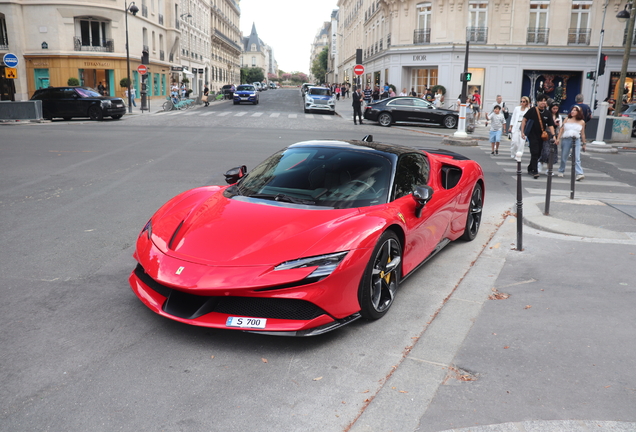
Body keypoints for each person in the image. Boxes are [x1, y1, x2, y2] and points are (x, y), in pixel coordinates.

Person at [521, 93, 557, 179]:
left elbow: (551, 125)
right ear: (537, 102)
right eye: (541, 101)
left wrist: (554, 135)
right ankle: (535, 171)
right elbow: (524, 120)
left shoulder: (547, 113)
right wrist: (522, 132)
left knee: (538, 153)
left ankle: (530, 167)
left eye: (544, 101)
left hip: (542, 136)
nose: (543, 102)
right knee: (535, 151)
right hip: (532, 135)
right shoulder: (532, 110)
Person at [556, 105, 587, 181]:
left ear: (578, 112)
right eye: (572, 110)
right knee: (564, 156)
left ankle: (579, 173)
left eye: (575, 110)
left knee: (577, 157)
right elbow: (561, 129)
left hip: (576, 139)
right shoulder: (567, 119)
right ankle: (561, 170)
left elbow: (582, 134)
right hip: (566, 139)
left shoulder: (582, 122)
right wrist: (558, 138)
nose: (572, 112)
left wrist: (584, 143)